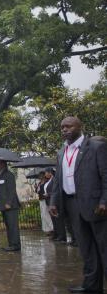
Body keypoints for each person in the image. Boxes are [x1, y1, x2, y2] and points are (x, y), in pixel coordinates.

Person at [49, 116, 107, 294]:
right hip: (72, 204)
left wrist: (104, 201)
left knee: (104, 246)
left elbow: (106, 176)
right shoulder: (61, 152)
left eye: (69, 126)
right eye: (62, 127)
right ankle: (92, 285)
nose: (65, 129)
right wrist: (53, 201)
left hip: (95, 205)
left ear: (79, 127)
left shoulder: (96, 147)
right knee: (86, 248)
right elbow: (58, 181)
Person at [0, 160, 21, 251]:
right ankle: (11, 244)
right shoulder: (0, 176)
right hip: (3, 206)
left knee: (13, 226)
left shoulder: (9, 175)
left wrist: (8, 202)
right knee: (8, 226)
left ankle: (16, 245)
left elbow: (12, 190)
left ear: (3, 164)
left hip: (10, 206)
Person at [36, 170, 54, 235]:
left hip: (45, 199)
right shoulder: (39, 183)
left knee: (46, 215)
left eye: (41, 175)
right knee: (43, 215)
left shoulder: (46, 182)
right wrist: (36, 188)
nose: (40, 177)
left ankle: (52, 228)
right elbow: (37, 191)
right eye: (39, 175)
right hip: (40, 199)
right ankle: (47, 230)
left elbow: (46, 190)